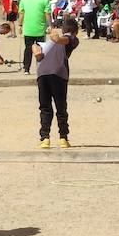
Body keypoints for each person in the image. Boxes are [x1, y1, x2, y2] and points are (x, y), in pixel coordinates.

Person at [32, 16, 80, 148]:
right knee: (60, 107)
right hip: (58, 74)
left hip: (42, 73)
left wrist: (49, 32)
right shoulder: (73, 39)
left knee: (45, 107)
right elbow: (55, 40)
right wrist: (36, 48)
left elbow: (56, 40)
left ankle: (45, 138)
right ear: (76, 30)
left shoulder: (64, 40)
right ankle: (62, 138)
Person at [18, 0, 52, 74]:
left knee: (28, 48)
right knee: (40, 49)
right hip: (40, 28)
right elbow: (47, 13)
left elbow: (21, 13)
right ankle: (40, 68)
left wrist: (20, 25)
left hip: (28, 28)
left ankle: (26, 69)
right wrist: (50, 25)